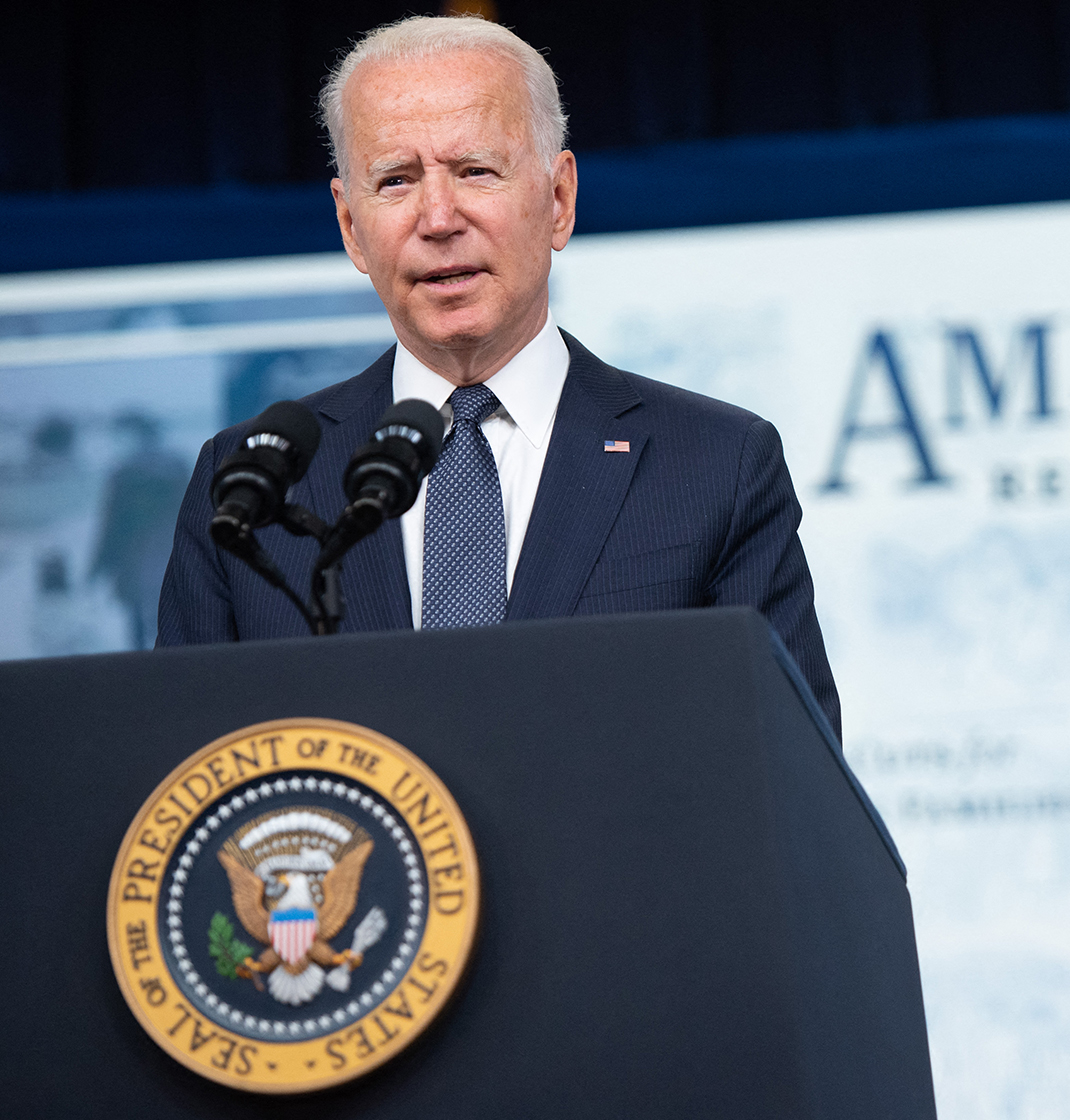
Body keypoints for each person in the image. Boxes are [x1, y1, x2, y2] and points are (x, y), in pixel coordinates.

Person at [156, 14, 840, 739]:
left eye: (476, 171)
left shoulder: (715, 466)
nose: (439, 217)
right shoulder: (247, 488)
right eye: (396, 180)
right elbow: (184, 780)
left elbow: (788, 788)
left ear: (558, 199)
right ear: (352, 227)